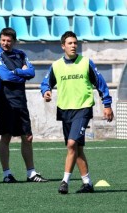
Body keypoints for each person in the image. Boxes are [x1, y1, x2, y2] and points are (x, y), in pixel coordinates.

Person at [40, 31, 114, 194]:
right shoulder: (56, 66)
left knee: (71, 144)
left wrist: (107, 104)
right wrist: (46, 91)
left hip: (83, 108)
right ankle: (87, 183)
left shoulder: (86, 63)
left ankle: (64, 181)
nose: (73, 46)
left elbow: (101, 84)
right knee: (77, 148)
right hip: (65, 110)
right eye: (70, 43)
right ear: (63, 46)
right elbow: (46, 83)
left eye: (75, 43)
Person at [0, 27, 48, 183]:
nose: (5, 43)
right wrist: (20, 72)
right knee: (6, 137)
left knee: (27, 137)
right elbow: (4, 75)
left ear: (14, 41)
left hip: (21, 101)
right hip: (4, 102)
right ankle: (7, 174)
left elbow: (31, 73)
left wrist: (14, 72)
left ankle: (31, 173)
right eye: (3, 40)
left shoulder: (21, 54)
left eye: (9, 41)